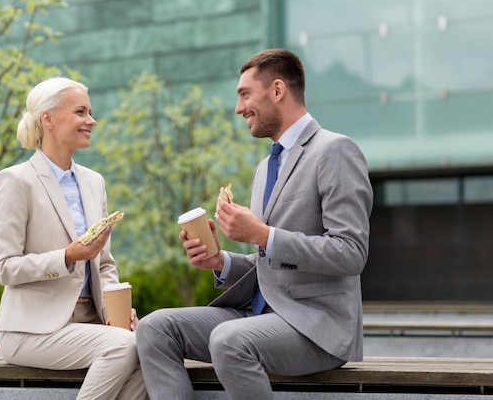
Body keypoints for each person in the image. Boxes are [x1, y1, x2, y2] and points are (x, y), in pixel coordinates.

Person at [136, 49, 373, 399]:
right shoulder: (265, 168)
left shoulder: (335, 151)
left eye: (245, 94)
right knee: (155, 327)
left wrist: (263, 234)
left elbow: (351, 253)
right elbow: (271, 263)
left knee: (228, 340)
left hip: (316, 326)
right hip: (258, 317)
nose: (238, 108)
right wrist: (220, 261)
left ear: (277, 90)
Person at [0, 77, 147, 400]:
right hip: (30, 330)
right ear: (47, 118)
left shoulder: (93, 182)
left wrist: (116, 313)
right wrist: (67, 257)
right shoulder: (16, 181)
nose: (92, 120)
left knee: (155, 348)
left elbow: (104, 264)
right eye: (81, 112)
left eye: (90, 112)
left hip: (89, 323)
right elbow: (4, 267)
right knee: (124, 346)